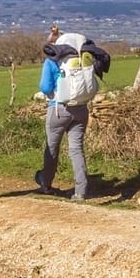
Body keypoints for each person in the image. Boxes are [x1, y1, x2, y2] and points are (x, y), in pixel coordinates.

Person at [34, 29, 108, 201]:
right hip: (81, 109)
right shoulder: (82, 58)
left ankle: (45, 183)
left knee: (52, 148)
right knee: (76, 149)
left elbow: (45, 87)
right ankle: (80, 191)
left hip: (58, 110)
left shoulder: (52, 61)